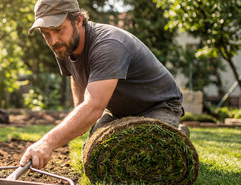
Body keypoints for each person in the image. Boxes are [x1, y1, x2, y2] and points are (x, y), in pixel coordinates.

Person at [20, 0, 188, 169]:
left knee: (143, 158)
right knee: (96, 156)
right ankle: (171, 131)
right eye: (45, 33)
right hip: (120, 112)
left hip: (159, 105)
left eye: (57, 29)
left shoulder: (108, 44)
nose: (53, 40)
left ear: (78, 20)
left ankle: (177, 133)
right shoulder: (63, 46)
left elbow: (94, 107)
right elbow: (75, 73)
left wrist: (46, 143)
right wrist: (80, 110)